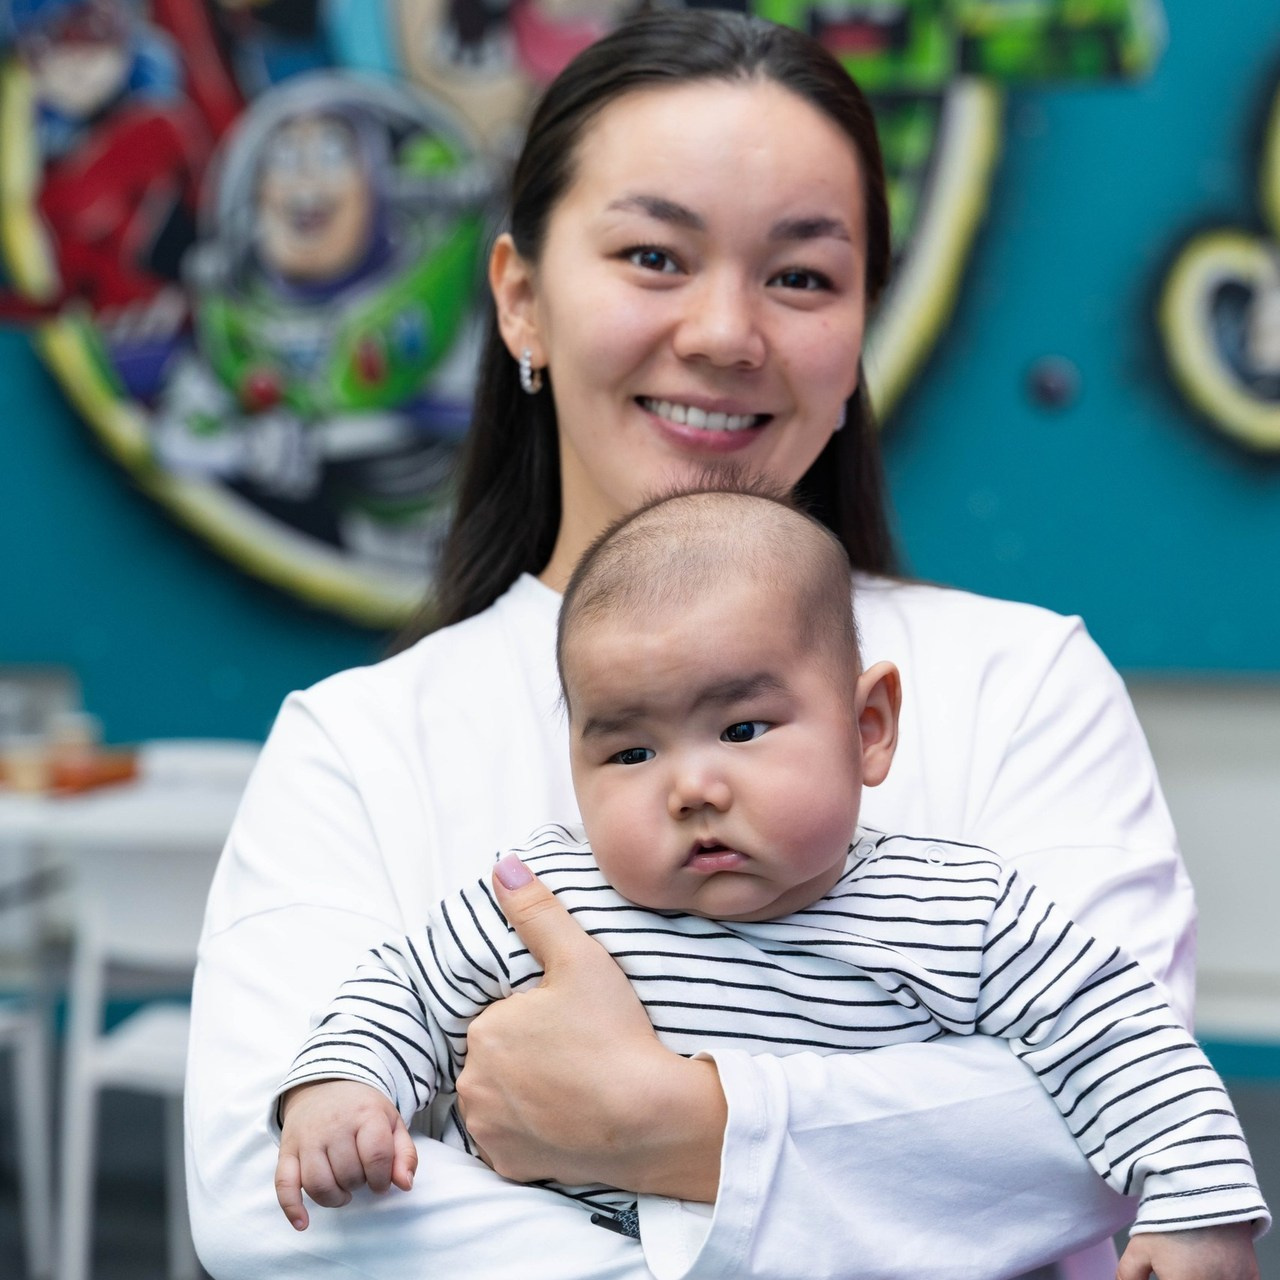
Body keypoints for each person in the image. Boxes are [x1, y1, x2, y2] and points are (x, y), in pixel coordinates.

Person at [187, 11, 1209, 1279]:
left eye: (800, 275)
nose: (727, 333)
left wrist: (663, 1124)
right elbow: (270, 1200)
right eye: (653, 256)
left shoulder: (1020, 680)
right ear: (519, 297)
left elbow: (1116, 1122)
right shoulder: (358, 741)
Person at [271, 488, 1266, 1280]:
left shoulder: (956, 909)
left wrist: (1197, 1204)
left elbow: (1118, 1032)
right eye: (628, 750)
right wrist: (340, 1086)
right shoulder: (551, 894)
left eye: (743, 728)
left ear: (866, 726)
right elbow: (402, 986)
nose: (691, 785)